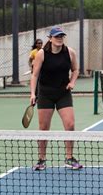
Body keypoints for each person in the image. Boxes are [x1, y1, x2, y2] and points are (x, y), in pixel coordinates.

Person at [30, 26, 83, 171]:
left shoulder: (70, 52)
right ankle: (41, 159)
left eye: (61, 36)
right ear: (50, 38)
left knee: (70, 125)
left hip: (63, 93)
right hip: (45, 94)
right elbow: (34, 75)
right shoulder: (41, 54)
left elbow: (75, 69)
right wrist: (33, 94)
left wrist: (72, 82)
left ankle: (69, 158)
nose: (59, 38)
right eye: (56, 36)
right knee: (43, 128)